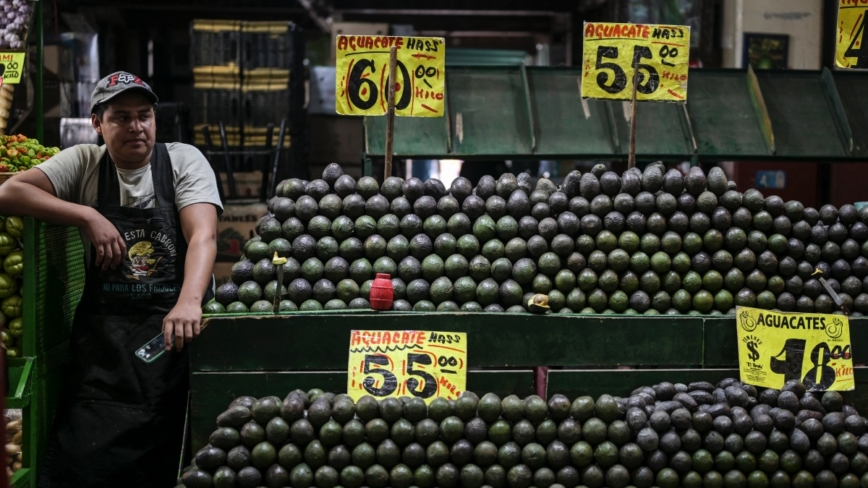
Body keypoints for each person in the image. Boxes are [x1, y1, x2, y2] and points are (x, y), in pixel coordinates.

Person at [0, 71, 223, 487]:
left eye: (144, 115)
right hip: (105, 347)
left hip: (171, 336)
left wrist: (189, 300)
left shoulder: (183, 161)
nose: (136, 127)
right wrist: (86, 215)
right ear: (98, 124)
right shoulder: (84, 162)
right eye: (121, 117)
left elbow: (203, 237)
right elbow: (9, 192)